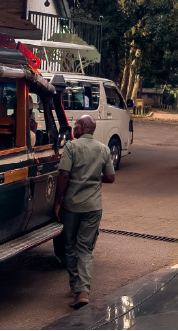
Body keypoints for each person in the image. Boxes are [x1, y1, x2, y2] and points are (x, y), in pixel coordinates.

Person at [55, 114, 115, 309]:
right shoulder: (103, 149)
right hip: (94, 207)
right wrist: (95, 178)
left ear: (82, 127)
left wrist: (58, 201)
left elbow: (63, 174)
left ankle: (76, 286)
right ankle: (83, 290)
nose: (73, 129)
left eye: (75, 126)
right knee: (85, 248)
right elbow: (110, 177)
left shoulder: (71, 147)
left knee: (70, 245)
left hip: (72, 206)